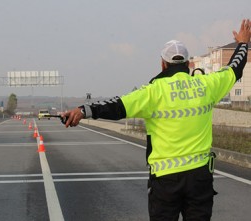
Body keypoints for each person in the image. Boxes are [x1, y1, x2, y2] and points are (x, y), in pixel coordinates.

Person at [62, 19, 251, 220]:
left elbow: (117, 105)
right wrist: (243, 43)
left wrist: (84, 110)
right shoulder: (207, 85)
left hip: (165, 180)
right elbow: (235, 67)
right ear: (188, 64)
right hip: (200, 177)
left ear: (163, 64)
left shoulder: (153, 92)